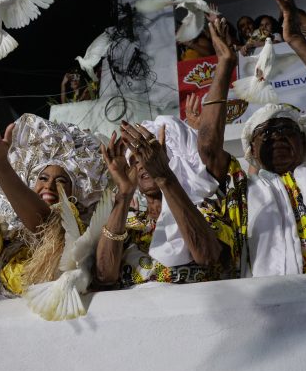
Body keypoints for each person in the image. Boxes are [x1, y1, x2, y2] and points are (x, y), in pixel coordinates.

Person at [198, 0, 306, 277]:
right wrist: (225, 63)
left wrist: (296, 40)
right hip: (275, 302)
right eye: (264, 133)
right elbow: (208, 150)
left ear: (305, 141)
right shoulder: (241, 192)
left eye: (285, 128)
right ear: (251, 151)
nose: (276, 137)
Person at [0, 113, 108, 301]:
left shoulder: (74, 227)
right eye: (43, 178)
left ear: (74, 194)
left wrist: (1, 166)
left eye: (61, 181)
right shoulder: (10, 230)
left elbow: (44, 223)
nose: (49, 186)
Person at [95, 116, 241, 287]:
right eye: (135, 160)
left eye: (147, 156)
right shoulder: (129, 225)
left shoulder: (204, 210)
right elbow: (104, 275)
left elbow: (208, 256)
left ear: (170, 162)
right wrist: (124, 194)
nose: (141, 164)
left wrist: (163, 176)